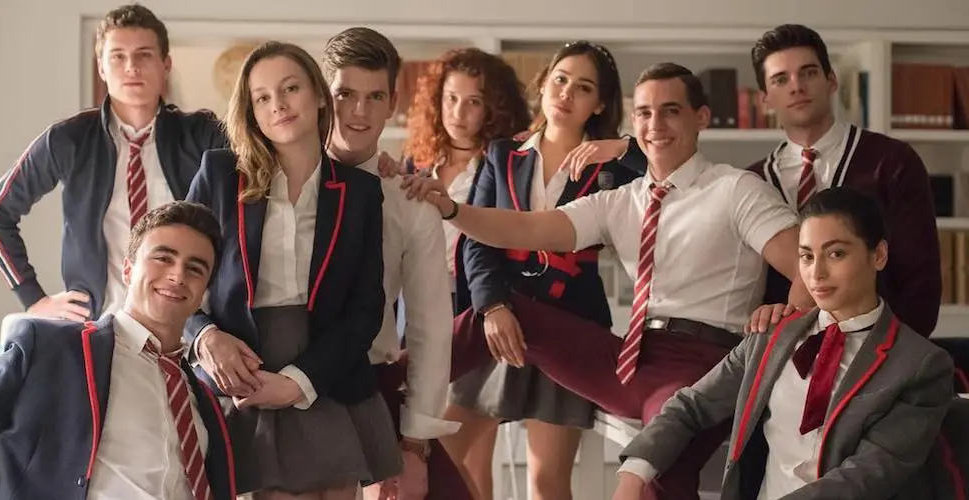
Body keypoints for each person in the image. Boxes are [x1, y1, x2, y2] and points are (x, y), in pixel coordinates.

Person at [401, 62, 810, 500]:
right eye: (645, 113)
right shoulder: (621, 200)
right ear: (634, 121)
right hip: (632, 358)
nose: (656, 125)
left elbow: (810, 268)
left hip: (704, 366)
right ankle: (387, 381)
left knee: (653, 466)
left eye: (671, 111)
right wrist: (452, 211)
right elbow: (527, 228)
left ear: (702, 117)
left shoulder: (736, 189)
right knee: (507, 309)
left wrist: (784, 321)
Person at [613, 186, 955, 500]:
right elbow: (692, 406)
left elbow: (869, 475)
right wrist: (633, 474)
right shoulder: (772, 335)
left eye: (836, 254)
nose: (817, 273)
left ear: (878, 255)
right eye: (806, 256)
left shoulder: (920, 365)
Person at [184, 41, 397, 500]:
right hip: (244, 370)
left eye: (290, 88)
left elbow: (366, 310)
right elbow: (175, 279)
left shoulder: (360, 191)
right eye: (262, 97)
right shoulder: (220, 174)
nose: (277, 104)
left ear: (319, 95)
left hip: (329, 370)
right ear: (251, 112)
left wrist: (298, 383)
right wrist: (204, 336)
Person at [446, 40, 643, 500]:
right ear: (543, 85)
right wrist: (492, 306)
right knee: (443, 455)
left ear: (599, 104)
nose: (567, 93)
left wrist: (622, 147)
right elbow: (477, 237)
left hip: (569, 327)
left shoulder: (614, 167)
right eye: (560, 79)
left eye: (583, 87)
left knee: (546, 483)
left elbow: (665, 172)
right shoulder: (502, 155)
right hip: (503, 319)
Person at [0, 201, 235, 500]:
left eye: (195, 269)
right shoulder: (50, 346)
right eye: (163, 258)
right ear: (127, 270)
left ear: (203, 293)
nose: (178, 276)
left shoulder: (205, 398)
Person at [0, 4, 227, 322]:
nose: (131, 67)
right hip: (98, 323)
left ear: (166, 64)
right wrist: (32, 298)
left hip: (187, 324)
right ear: (101, 67)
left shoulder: (202, 133)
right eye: (118, 56)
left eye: (144, 55)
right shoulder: (69, 138)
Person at [321, 27, 467, 500]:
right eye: (345, 94)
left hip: (374, 385)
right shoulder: (282, 188)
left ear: (393, 103)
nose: (359, 112)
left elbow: (430, 328)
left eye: (375, 96)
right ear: (323, 97)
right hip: (289, 394)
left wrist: (416, 444)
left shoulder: (410, 203)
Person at [745, 24, 940, 338]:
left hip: (879, 349)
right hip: (784, 353)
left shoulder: (893, 162)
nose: (796, 87)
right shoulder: (752, 182)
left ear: (831, 80)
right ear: (764, 98)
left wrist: (892, 354)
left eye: (808, 73)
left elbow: (920, 284)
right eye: (781, 79)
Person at [401, 46, 532, 498]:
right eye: (450, 99)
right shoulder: (418, 162)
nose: (458, 113)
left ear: (493, 107)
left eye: (473, 101)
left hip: (476, 306)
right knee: (451, 448)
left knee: (462, 450)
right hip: (420, 306)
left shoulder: (505, 163)